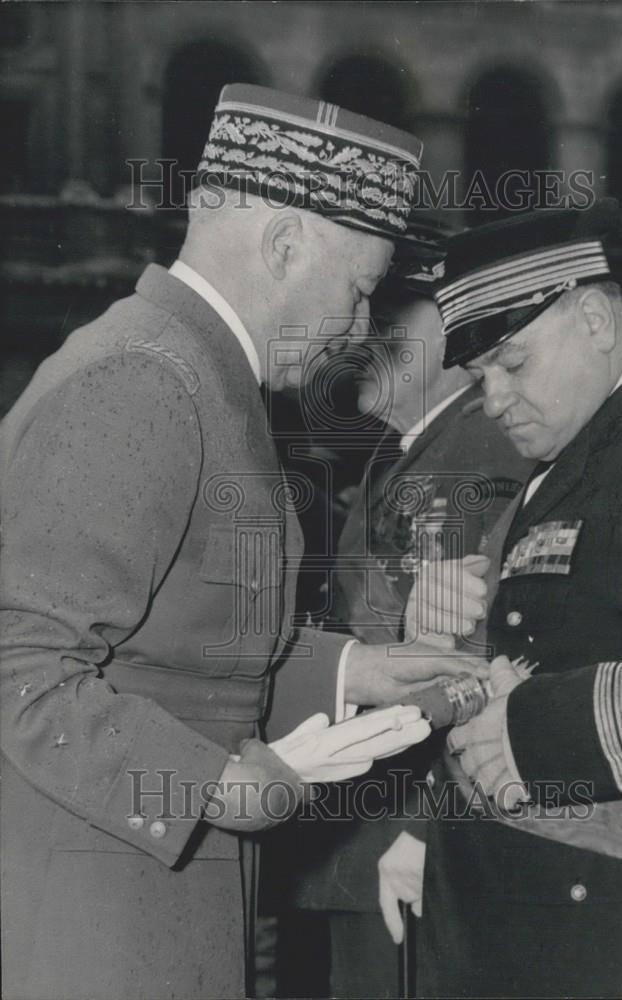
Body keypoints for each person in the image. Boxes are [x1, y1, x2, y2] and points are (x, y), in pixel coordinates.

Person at [0, 85, 485, 1000]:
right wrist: (212, 787)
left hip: (154, 904)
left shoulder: (202, 376)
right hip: (96, 922)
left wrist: (352, 673)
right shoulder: (142, 380)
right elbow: (18, 661)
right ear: (285, 244)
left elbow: (176, 650)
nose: (356, 328)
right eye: (360, 290)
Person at [376, 199, 622, 997]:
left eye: (513, 363)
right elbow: (553, 637)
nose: (493, 398)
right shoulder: (585, 442)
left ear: (593, 317)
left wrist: (534, 729)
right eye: (479, 376)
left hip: (599, 927)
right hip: (511, 903)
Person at [264, 274, 531, 997]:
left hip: (401, 833)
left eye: (387, 327)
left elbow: (459, 663)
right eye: (361, 320)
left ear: (452, 331)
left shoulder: (475, 448)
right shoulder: (425, 448)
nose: (359, 342)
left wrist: (427, 830)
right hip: (367, 824)